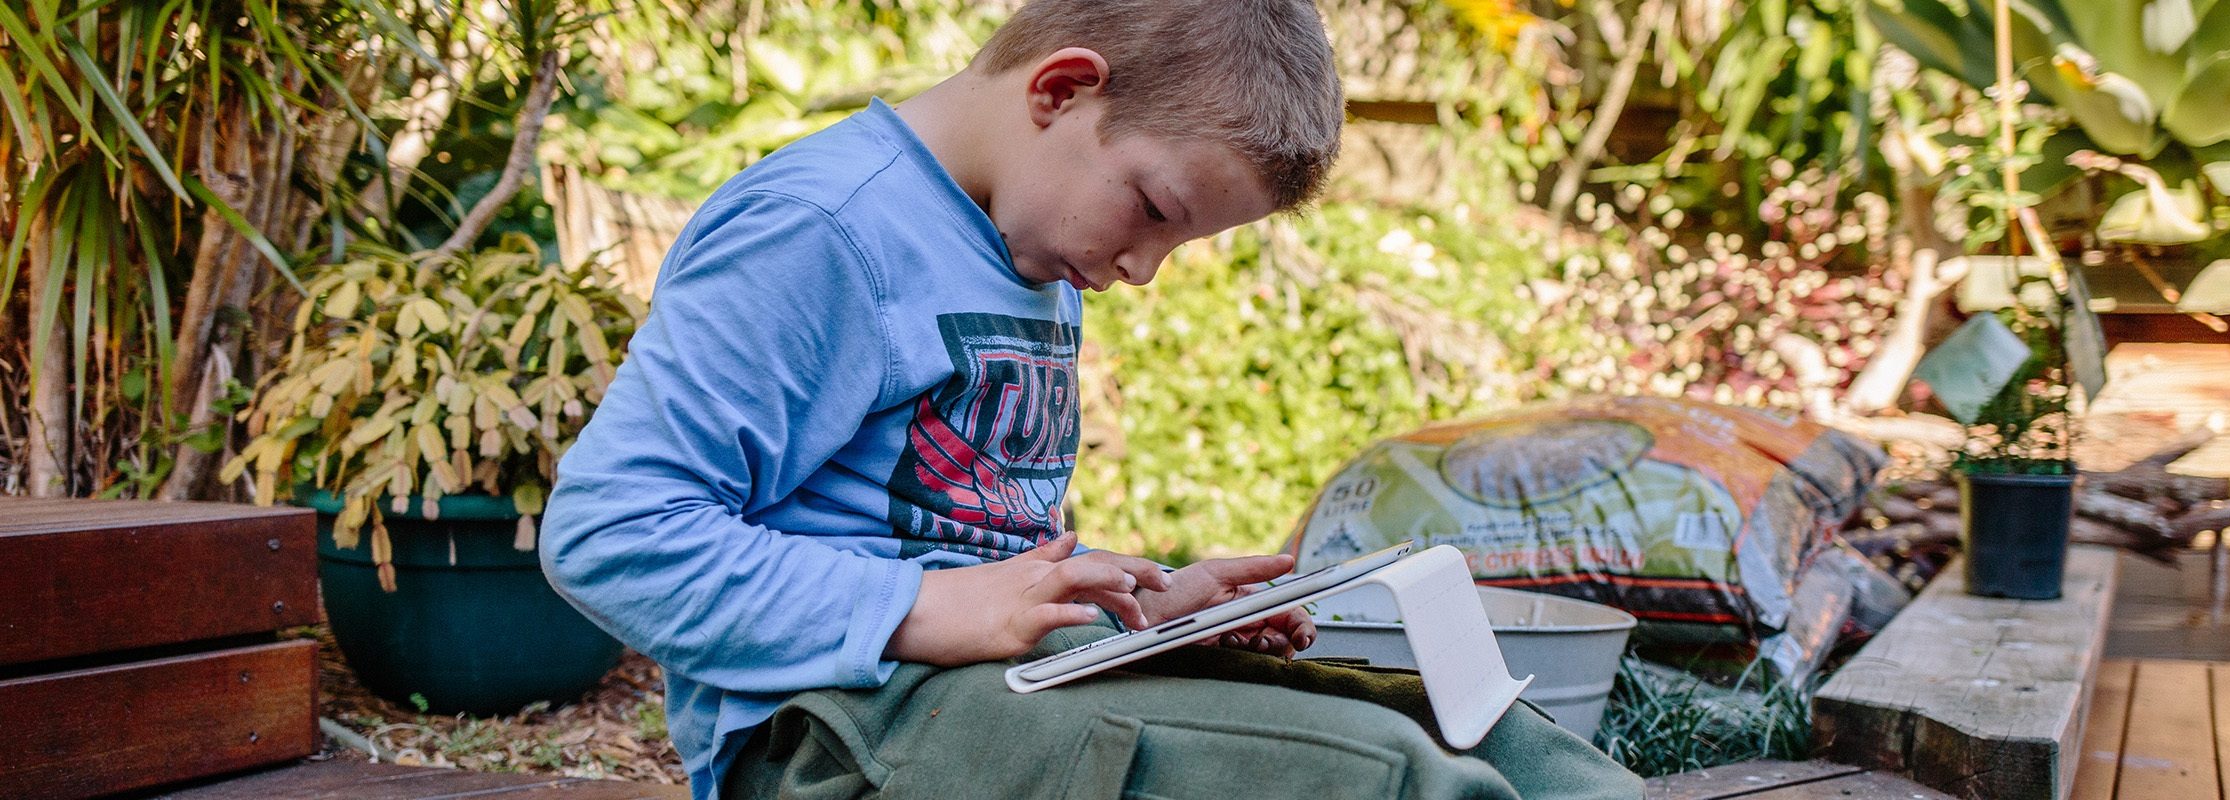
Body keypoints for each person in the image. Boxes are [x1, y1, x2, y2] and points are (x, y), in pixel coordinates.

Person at [541, 2, 1642, 798]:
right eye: (1155, 210)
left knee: (1486, 733)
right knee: (1389, 777)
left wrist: (1134, 605)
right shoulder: (823, 232)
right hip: (829, 734)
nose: (1145, 269)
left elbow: (956, 531)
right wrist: (927, 611)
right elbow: (608, 533)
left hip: (981, 688)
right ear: (1062, 92)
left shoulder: (1033, 238)